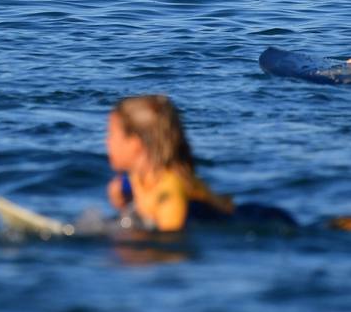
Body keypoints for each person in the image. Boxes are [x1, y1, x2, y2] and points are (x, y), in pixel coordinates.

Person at [106, 94, 294, 231]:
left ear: (136, 143)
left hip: (262, 221)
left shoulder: (169, 194)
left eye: (112, 135)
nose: (107, 142)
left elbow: (171, 244)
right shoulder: (133, 181)